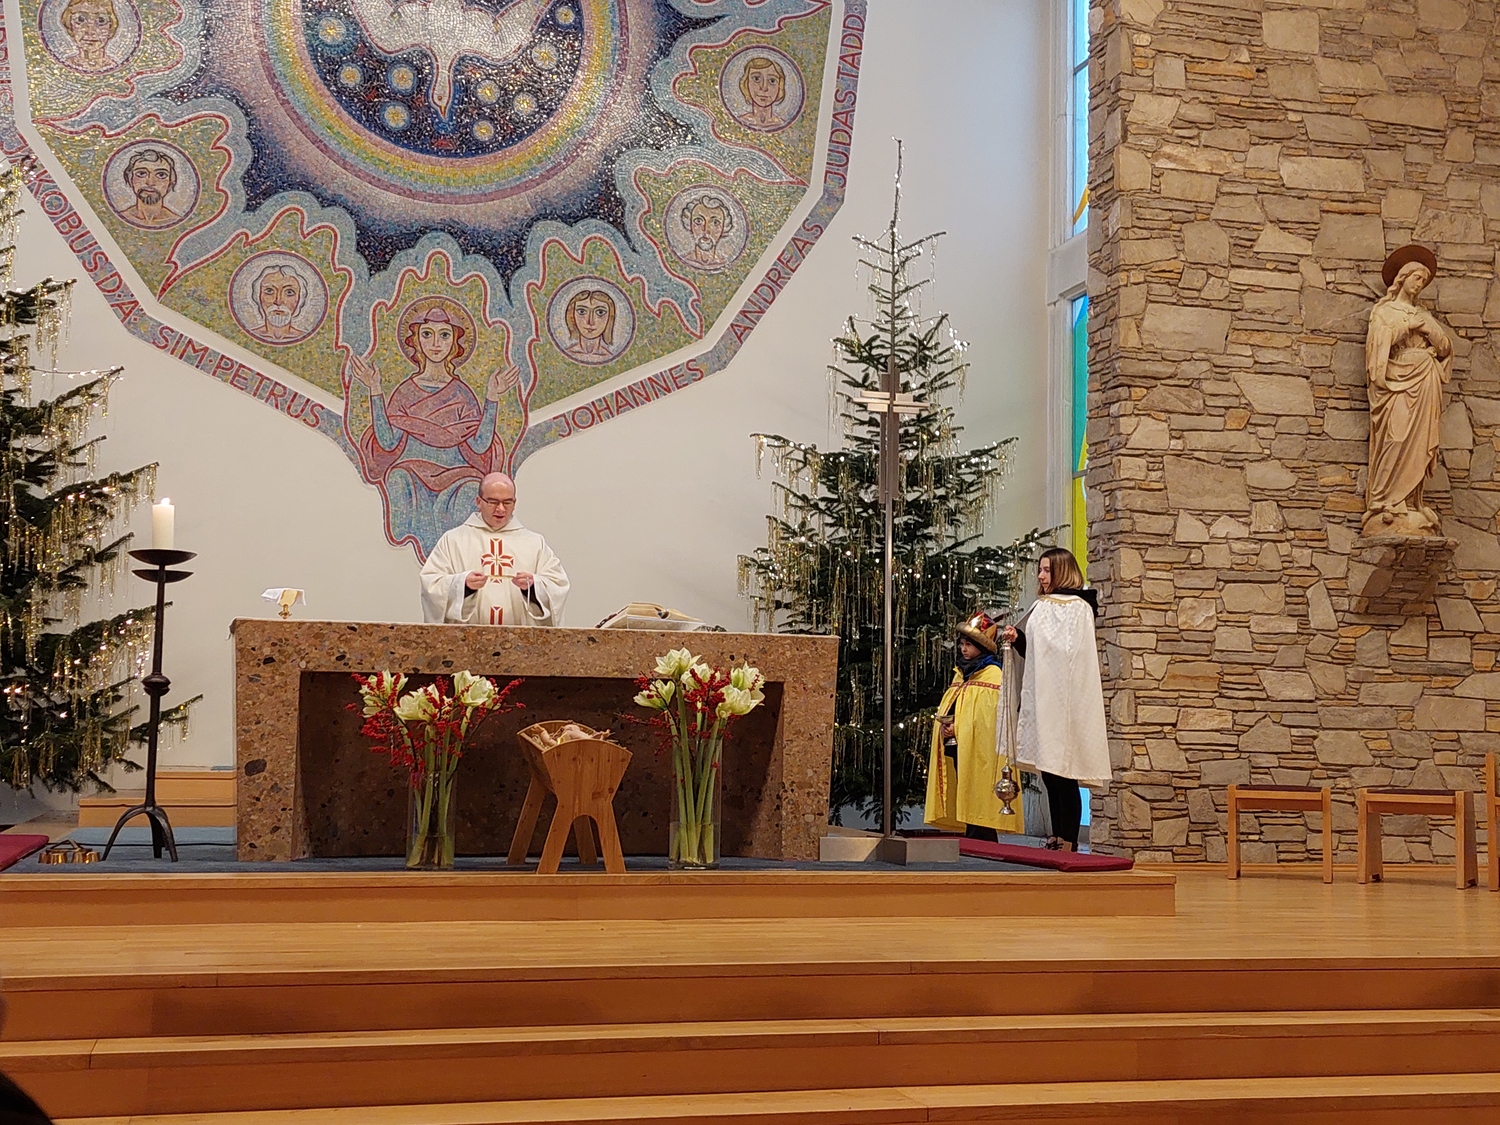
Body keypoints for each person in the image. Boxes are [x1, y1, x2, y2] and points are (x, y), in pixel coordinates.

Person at [347, 298, 519, 550]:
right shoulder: (405, 391)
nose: (436, 343)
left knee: (471, 489)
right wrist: (375, 389)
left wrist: (492, 397)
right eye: (427, 334)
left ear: (455, 342)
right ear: (416, 340)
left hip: (458, 475)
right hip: (412, 471)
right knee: (397, 479)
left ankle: (456, 554)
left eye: (444, 335)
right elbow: (387, 441)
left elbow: (480, 445)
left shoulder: (462, 393)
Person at [1000, 547, 1110, 852]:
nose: (1041, 576)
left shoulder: (1078, 608)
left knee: (1065, 771)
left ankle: (1069, 838)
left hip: (1065, 700)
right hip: (1041, 697)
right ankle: (1057, 834)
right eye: (1040, 569)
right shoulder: (1041, 607)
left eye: (1047, 570)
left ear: (1062, 571)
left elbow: (1073, 653)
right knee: (1049, 771)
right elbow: (1037, 652)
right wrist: (1018, 639)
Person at [1363, 244, 1450, 537]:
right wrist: (1407, 326)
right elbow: (1378, 345)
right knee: (1396, 436)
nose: (1420, 284)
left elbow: (1445, 347)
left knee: (1420, 441)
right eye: (1417, 278)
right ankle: (1384, 500)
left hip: (1425, 382)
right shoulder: (1384, 311)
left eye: (1424, 281)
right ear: (1403, 278)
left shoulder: (1423, 314)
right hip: (1397, 382)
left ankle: (1411, 502)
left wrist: (1428, 329)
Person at [420, 472, 568, 626]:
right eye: (493, 502)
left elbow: (558, 586)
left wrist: (533, 586)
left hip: (520, 639)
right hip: (466, 638)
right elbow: (431, 584)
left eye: (507, 502)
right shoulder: (453, 540)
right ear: (479, 502)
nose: (501, 509)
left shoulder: (535, 543)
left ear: (515, 503)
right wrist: (463, 585)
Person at [923, 612, 1023, 841]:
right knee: (963, 785)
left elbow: (986, 719)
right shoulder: (962, 674)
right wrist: (948, 727)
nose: (963, 649)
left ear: (981, 647)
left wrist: (959, 728)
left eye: (968, 645)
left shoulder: (993, 675)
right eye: (962, 644)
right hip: (957, 745)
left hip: (981, 750)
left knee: (978, 789)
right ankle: (970, 832)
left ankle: (983, 837)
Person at [119, 149, 183, 228]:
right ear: (130, 179)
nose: (150, 182)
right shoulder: (118, 219)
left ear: (171, 181)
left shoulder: (178, 223)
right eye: (141, 173)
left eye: (161, 175)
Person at [250, 263, 310, 343]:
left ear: (300, 299)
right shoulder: (249, 336)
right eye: (269, 291)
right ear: (258, 296)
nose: (278, 301)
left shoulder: (307, 339)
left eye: (289, 292)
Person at [57, 0, 120, 72]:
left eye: (101, 20)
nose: (90, 31)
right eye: (80, 19)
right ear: (70, 25)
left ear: (110, 27)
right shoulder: (65, 66)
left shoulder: (115, 68)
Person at [561, 289, 619, 363]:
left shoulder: (610, 357)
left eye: (600, 312)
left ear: (609, 317)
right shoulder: (565, 355)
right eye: (582, 311)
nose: (590, 321)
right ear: (572, 315)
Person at [736, 55, 789, 130]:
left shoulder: (782, 125)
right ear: (746, 83)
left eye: (772, 81)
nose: (764, 88)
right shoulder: (739, 122)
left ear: (780, 86)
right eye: (756, 79)